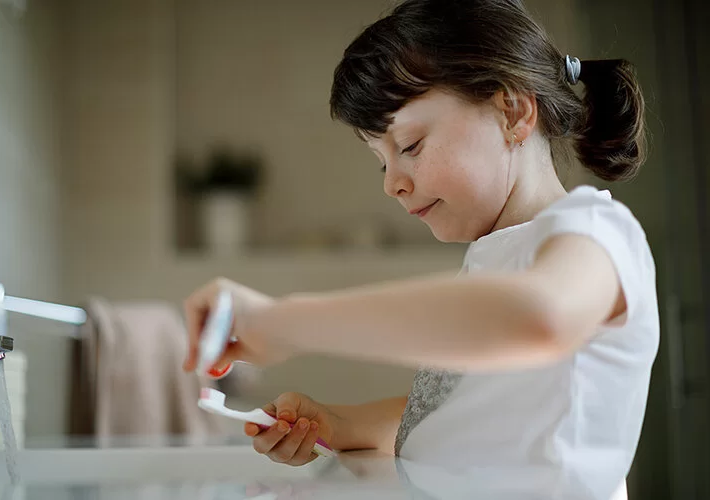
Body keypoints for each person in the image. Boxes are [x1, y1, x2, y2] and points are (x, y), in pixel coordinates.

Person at [182, 0, 658, 497]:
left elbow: (540, 317)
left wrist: (284, 321)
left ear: (513, 111)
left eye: (409, 146)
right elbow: (467, 421)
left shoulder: (597, 232)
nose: (392, 184)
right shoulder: (492, 259)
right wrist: (337, 423)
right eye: (380, 162)